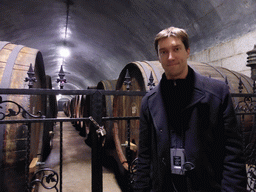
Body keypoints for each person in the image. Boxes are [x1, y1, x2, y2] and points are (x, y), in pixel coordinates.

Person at [133, 26, 247, 192]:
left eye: (176, 49)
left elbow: (233, 153)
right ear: (158, 57)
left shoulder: (216, 93)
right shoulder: (149, 102)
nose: (170, 57)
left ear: (187, 51)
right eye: (163, 52)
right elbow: (144, 157)